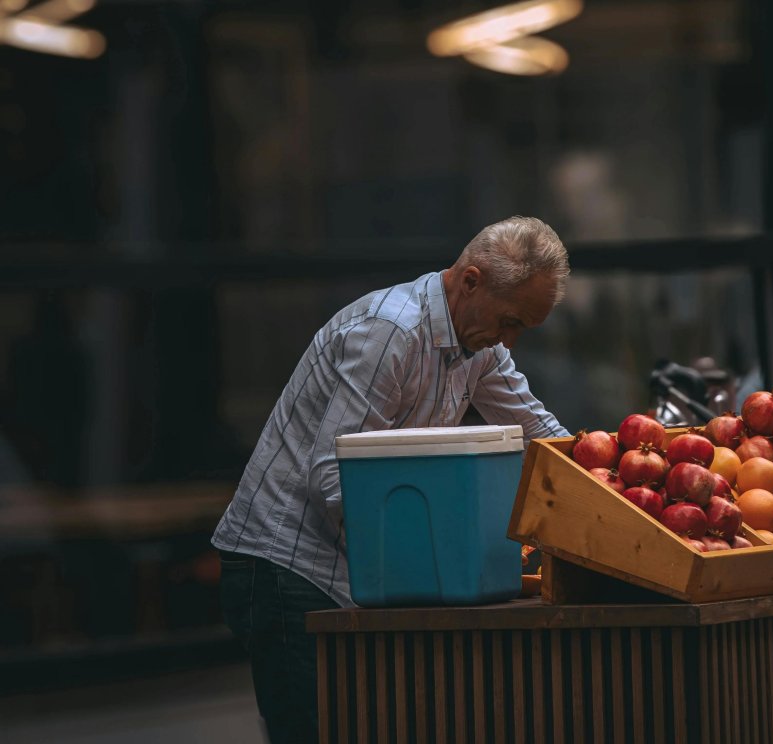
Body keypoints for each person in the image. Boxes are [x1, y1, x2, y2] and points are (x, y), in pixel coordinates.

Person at [211, 215, 572, 743]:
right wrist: (446, 545)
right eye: (510, 322)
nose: (509, 342)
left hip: (364, 571)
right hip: (288, 566)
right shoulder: (391, 332)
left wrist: (607, 480)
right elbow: (335, 478)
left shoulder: (481, 344)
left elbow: (542, 434)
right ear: (470, 281)